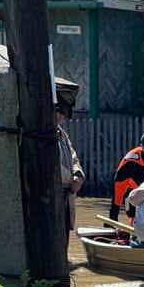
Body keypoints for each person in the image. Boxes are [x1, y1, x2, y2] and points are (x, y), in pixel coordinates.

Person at [55, 99, 85, 237]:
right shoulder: (46, 135)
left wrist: (78, 176)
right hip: (56, 194)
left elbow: (74, 157)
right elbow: (54, 167)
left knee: (64, 235)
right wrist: (71, 178)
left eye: (62, 113)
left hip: (67, 195)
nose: (60, 116)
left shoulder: (62, 134)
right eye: (57, 112)